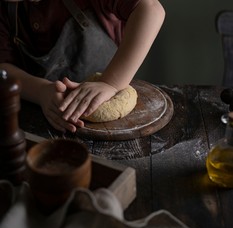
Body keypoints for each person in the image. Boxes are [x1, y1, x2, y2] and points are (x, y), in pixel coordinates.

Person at [0, 0, 165, 133]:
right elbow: (3, 68)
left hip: (114, 104)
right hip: (48, 116)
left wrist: (111, 83)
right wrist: (41, 91)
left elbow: (150, 9)